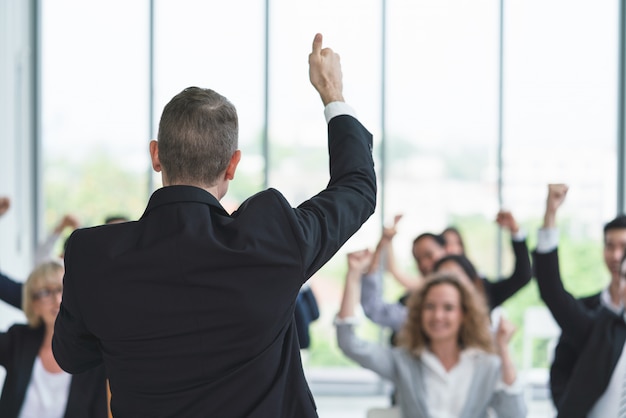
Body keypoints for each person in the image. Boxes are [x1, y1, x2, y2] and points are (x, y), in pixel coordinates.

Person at [52, 33, 376, 418]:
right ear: (232, 164)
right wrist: (331, 93)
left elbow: (72, 355)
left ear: (156, 155)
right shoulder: (271, 240)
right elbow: (357, 188)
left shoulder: (94, 255)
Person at [335, 250, 526, 417]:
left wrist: (503, 349)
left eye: (448, 308)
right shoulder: (404, 361)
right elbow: (349, 343)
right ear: (419, 312)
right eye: (430, 306)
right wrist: (353, 275)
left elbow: (514, 414)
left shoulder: (486, 364)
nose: (438, 316)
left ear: (464, 314)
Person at [533, 184, 626, 417]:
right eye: (610, 246)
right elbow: (551, 290)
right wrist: (550, 215)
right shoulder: (595, 317)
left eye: (624, 247)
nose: (616, 256)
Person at [360, 210, 532, 332]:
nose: (425, 264)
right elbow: (375, 308)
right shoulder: (414, 305)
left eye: (429, 255)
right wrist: (384, 243)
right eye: (418, 260)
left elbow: (522, 276)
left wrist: (515, 231)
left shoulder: (483, 292)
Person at [0, 260, 107, 417]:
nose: (57, 300)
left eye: (62, 290)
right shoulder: (18, 340)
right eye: (45, 293)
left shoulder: (96, 355)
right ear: (33, 305)